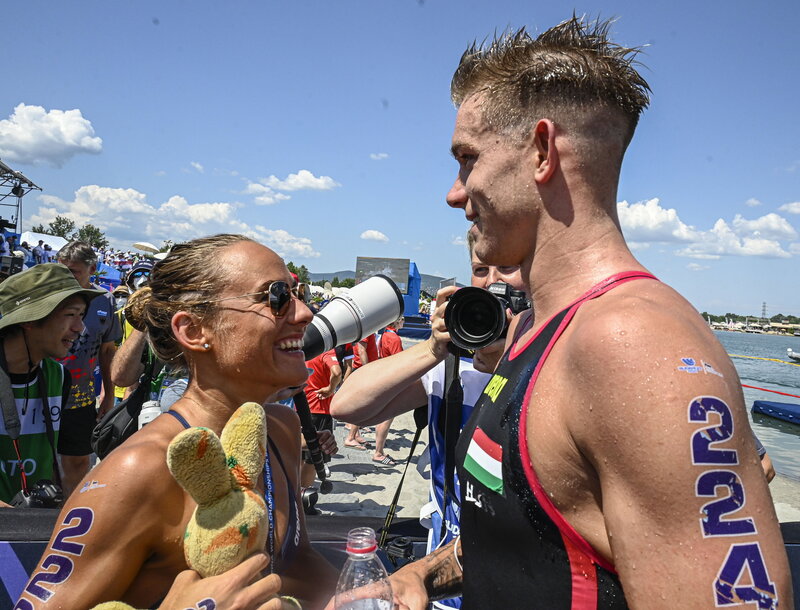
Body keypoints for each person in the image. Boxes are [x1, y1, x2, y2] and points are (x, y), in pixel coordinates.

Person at [382, 17, 791, 609]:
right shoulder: (533, 330)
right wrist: (424, 573)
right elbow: (535, 524)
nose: (454, 191)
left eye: (467, 159)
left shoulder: (631, 344)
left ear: (543, 150)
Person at [17, 234, 338, 609]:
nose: (305, 313)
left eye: (296, 294)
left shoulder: (281, 428)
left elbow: (296, 562)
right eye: (277, 296)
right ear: (194, 330)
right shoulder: (138, 470)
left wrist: (375, 595)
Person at [332, 244, 525, 609]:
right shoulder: (449, 368)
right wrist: (434, 348)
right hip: (439, 586)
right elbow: (347, 407)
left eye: (509, 267)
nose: (493, 283)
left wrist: (516, 355)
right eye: (481, 270)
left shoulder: (548, 366)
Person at [0, 265, 103, 507]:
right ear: (29, 319)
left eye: (82, 316)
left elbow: (70, 467)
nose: (80, 328)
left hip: (29, 534)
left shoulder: (58, 377)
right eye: (71, 315)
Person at [55, 241, 121, 495]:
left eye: (74, 272)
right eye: (63, 271)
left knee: (79, 459)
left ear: (92, 268)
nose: (68, 278)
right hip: (43, 393)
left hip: (81, 396)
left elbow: (107, 350)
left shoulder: (106, 301)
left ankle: (69, 510)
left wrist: (108, 394)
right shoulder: (48, 298)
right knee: (45, 455)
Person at [369, 316, 405, 467]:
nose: (404, 321)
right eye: (402, 319)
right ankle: (378, 452)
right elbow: (401, 362)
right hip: (392, 380)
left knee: (383, 416)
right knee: (387, 418)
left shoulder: (385, 334)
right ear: (396, 322)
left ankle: (379, 450)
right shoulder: (394, 338)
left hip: (385, 376)